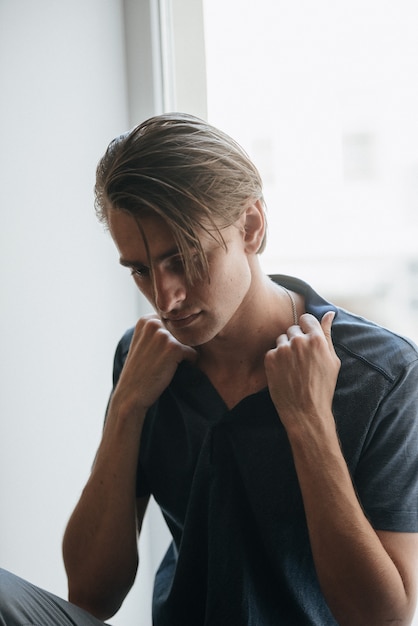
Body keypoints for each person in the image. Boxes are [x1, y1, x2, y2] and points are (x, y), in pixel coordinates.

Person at [1, 112, 418, 626]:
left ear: (251, 226)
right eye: (140, 270)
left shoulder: (380, 375)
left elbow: (384, 619)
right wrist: (128, 407)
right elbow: (90, 595)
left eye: (185, 258)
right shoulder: (144, 360)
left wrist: (310, 423)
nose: (165, 296)